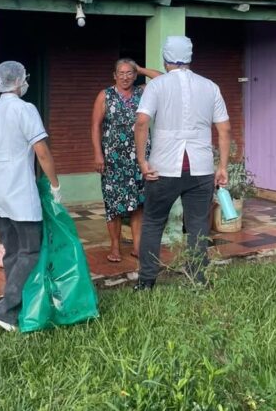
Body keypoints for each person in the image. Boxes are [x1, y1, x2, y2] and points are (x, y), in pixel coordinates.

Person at [133, 35, 231, 289]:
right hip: (201, 168)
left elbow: (141, 123)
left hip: (162, 168)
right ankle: (197, 279)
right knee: (198, 226)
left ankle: (146, 282)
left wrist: (142, 161)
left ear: (165, 59)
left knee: (153, 223)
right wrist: (222, 166)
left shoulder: (157, 85)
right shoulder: (210, 86)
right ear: (189, 58)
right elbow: (224, 129)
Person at [0, 60, 61, 332]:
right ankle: (6, 310)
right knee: (30, 250)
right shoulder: (25, 109)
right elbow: (42, 151)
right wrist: (55, 185)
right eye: (24, 78)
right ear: (17, 81)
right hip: (18, 188)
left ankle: (21, 307)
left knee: (12, 251)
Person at [90, 58, 162, 262]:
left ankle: (138, 246)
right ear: (114, 76)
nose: (125, 77)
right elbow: (95, 126)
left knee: (139, 202)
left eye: (129, 73)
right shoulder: (105, 95)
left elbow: (163, 79)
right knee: (113, 203)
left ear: (135, 75)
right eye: (121, 73)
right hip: (113, 159)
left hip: (139, 158)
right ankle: (115, 246)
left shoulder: (143, 92)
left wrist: (140, 69)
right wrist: (98, 154)